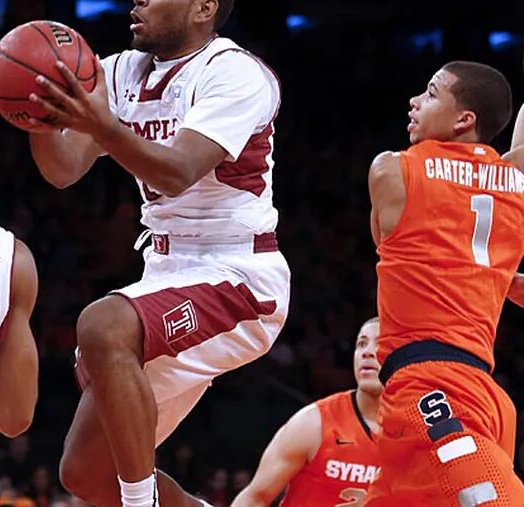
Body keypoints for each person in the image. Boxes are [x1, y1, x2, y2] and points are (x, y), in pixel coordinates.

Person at [27, 0, 289, 505]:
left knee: (104, 327)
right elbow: (62, 169)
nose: (138, 0)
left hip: (239, 273)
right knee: (86, 474)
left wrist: (105, 127)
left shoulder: (234, 73)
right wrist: (34, 113)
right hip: (165, 270)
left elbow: (176, 172)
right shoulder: (118, 71)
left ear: (203, 7)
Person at [364, 61, 524, 505]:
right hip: (475, 391)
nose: (415, 101)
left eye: (431, 93)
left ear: (464, 119)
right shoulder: (516, 182)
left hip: (428, 384)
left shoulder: (391, 170)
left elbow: (386, 242)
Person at [233, 317, 381, 507]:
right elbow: (255, 498)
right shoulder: (313, 423)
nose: (367, 352)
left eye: (380, 344)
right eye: (361, 344)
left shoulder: (414, 431)